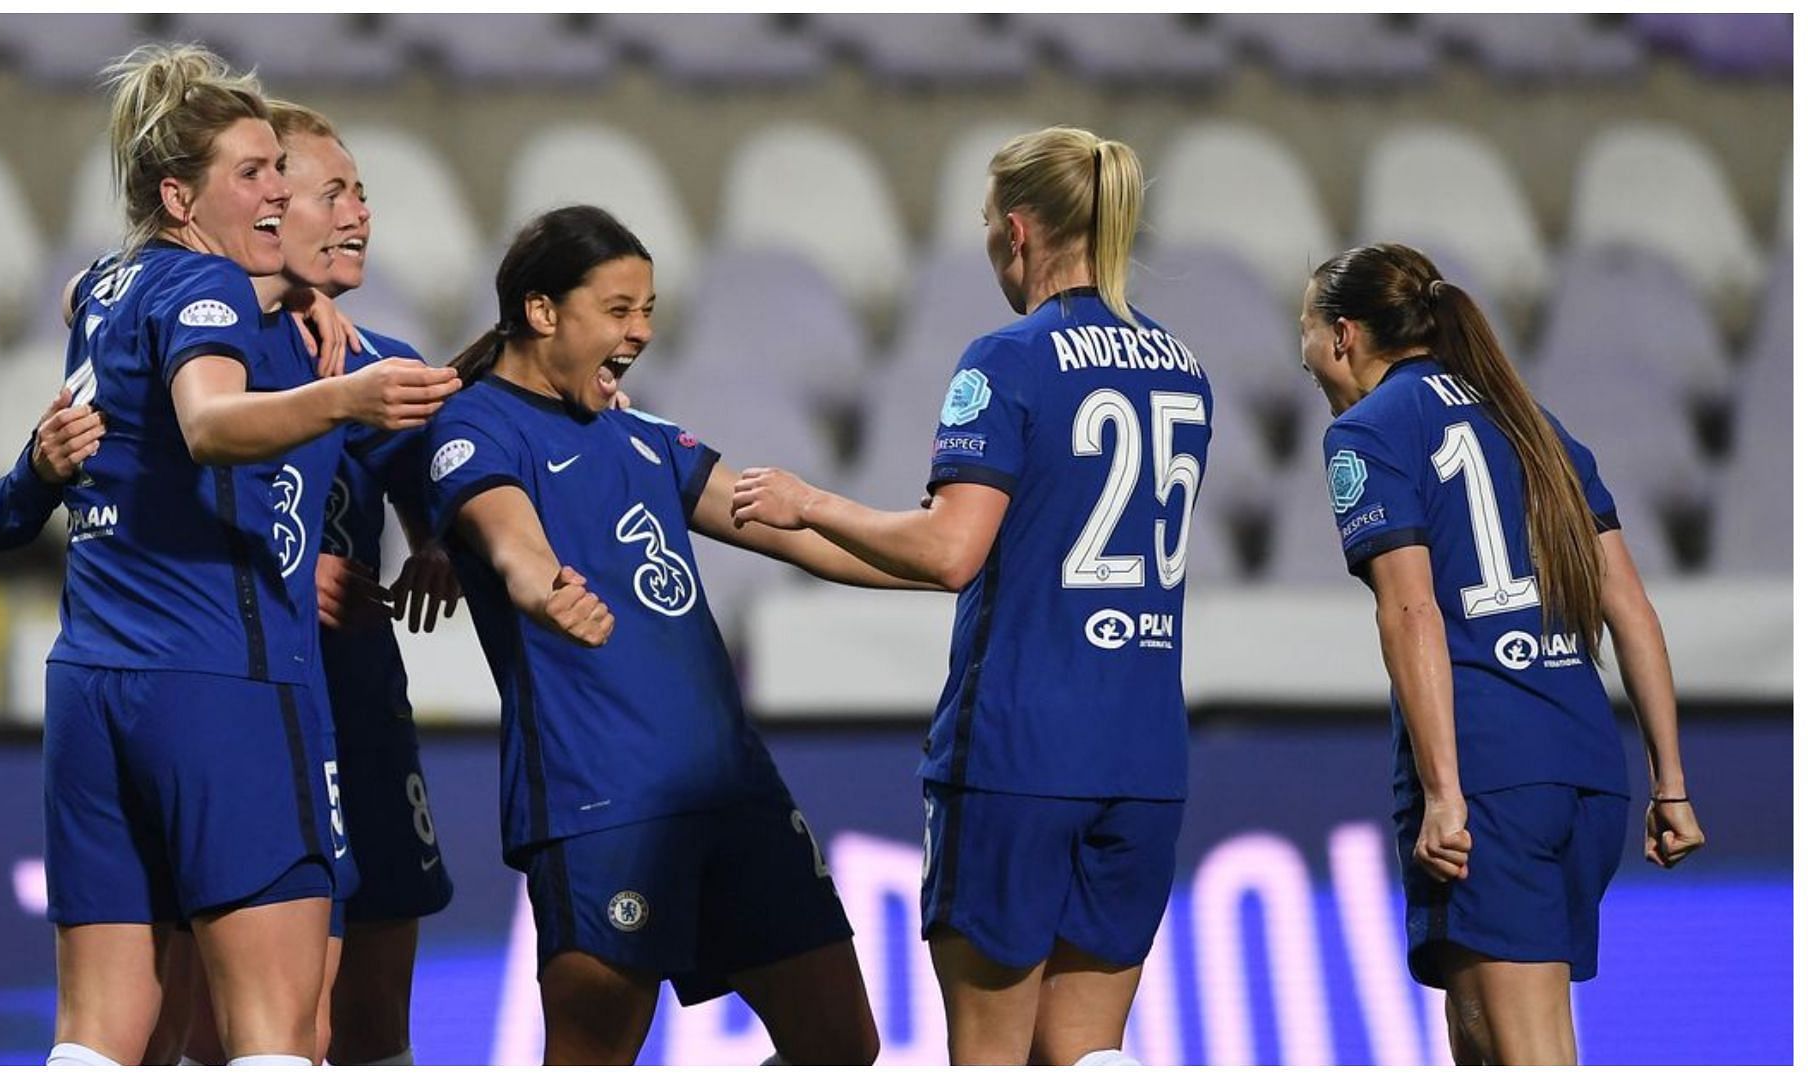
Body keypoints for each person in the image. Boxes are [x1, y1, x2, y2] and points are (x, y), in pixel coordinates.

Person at [0, 44, 456, 1067]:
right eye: (269, 177)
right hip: (228, 682)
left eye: (299, 184)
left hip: (98, 680)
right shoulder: (221, 300)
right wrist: (344, 392)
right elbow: (211, 421)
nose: (292, 201)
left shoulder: (116, 284)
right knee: (284, 1036)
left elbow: (85, 295)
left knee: (100, 1040)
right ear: (181, 195)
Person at [730, 126, 1208, 1066]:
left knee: (988, 1057)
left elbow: (950, 552)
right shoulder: (1184, 368)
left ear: (1018, 233)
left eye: (990, 223)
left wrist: (810, 501)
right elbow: (1001, 557)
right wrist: (816, 540)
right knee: (1086, 1056)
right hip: (1144, 751)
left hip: (1019, 755)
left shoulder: (1007, 357)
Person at [425, 205, 909, 1065]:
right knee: (593, 1055)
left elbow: (792, 532)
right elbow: (509, 541)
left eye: (648, 309)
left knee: (839, 1044)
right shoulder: (476, 427)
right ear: (543, 311)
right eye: (619, 309)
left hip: (734, 789)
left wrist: (944, 559)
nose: (641, 331)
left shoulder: (647, 438)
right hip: (603, 798)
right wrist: (547, 589)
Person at [1295, 242, 1706, 1064]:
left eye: (1303, 331)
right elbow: (1629, 606)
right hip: (1586, 765)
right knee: (1482, 1037)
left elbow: (1411, 611)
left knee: (1527, 1053)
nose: (1302, 357)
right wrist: (1672, 783)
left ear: (1344, 336)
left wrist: (1445, 792)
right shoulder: (1530, 420)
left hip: (1490, 772)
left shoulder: (1368, 433)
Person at [161, 99, 459, 1069]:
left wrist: (438, 546)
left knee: (375, 1031)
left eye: (362, 193)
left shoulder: (382, 362)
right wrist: (284, 569)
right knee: (238, 1031)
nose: (360, 214)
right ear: (269, 204)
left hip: (360, 706)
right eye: (334, 193)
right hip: (236, 714)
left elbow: (450, 493)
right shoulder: (201, 344)